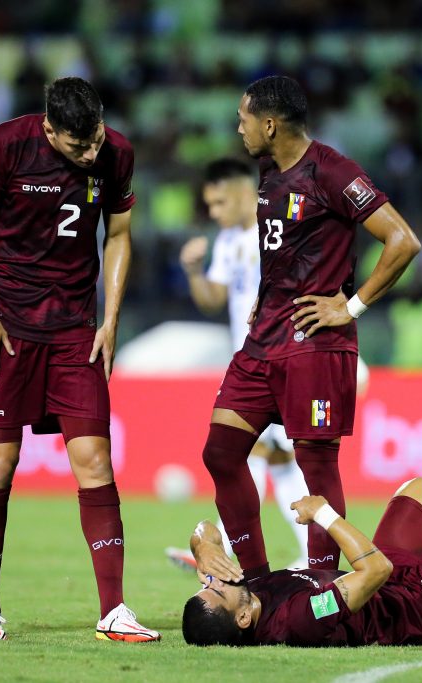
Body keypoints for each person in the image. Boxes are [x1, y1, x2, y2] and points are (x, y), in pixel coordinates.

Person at [0, 76, 159, 642]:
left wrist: (110, 318)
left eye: (94, 141)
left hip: (74, 330)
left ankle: (113, 609)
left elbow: (118, 235)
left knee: (95, 461)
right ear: (48, 128)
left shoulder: (115, 152)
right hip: (6, 328)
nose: (91, 154)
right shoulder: (4, 146)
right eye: (77, 146)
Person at [199, 75, 421, 580]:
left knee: (315, 467)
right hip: (263, 340)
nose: (238, 128)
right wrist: (261, 298)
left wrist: (353, 305)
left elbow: (403, 240)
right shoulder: (268, 169)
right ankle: (256, 580)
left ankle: (323, 583)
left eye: (244, 118)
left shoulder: (333, 172)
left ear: (270, 124)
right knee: (221, 451)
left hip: (314, 343)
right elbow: (280, 249)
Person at [181, 474, 422, 647]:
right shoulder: (300, 619)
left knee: (419, 489)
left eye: (208, 583)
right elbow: (375, 570)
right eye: (217, 591)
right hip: (421, 607)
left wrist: (204, 546)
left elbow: (204, 530)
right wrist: (324, 514)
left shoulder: (243, 591)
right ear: (243, 619)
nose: (216, 581)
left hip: (393, 586)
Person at [173, 157, 312, 569]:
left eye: (217, 204)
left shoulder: (273, 232)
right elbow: (214, 299)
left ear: (237, 195)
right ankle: (289, 554)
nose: (213, 213)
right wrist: (194, 271)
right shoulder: (230, 240)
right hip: (247, 365)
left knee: (265, 456)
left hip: (279, 362)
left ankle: (303, 556)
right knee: (262, 456)